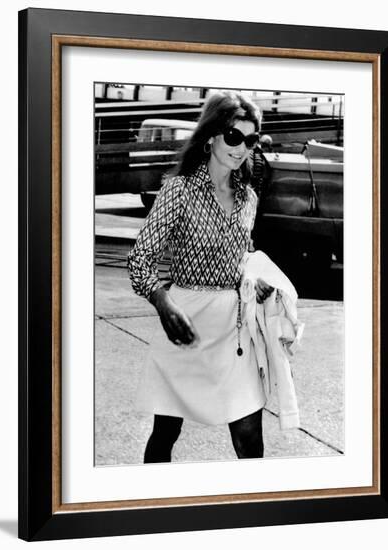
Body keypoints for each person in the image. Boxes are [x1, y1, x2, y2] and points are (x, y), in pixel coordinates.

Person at [127, 91, 274, 463]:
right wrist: (162, 302)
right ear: (210, 137)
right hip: (184, 319)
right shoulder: (179, 191)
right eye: (234, 137)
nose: (242, 148)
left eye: (251, 139)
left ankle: (259, 515)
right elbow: (140, 258)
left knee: (249, 437)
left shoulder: (249, 198)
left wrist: (252, 281)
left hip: (233, 327)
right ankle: (149, 508)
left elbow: (240, 257)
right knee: (166, 432)